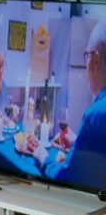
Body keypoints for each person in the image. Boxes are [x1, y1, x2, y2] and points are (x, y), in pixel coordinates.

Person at [42, 20, 106, 186]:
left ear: (96, 61)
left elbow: (65, 177)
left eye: (87, 57)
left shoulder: (96, 114)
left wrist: (41, 156)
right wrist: (79, 142)